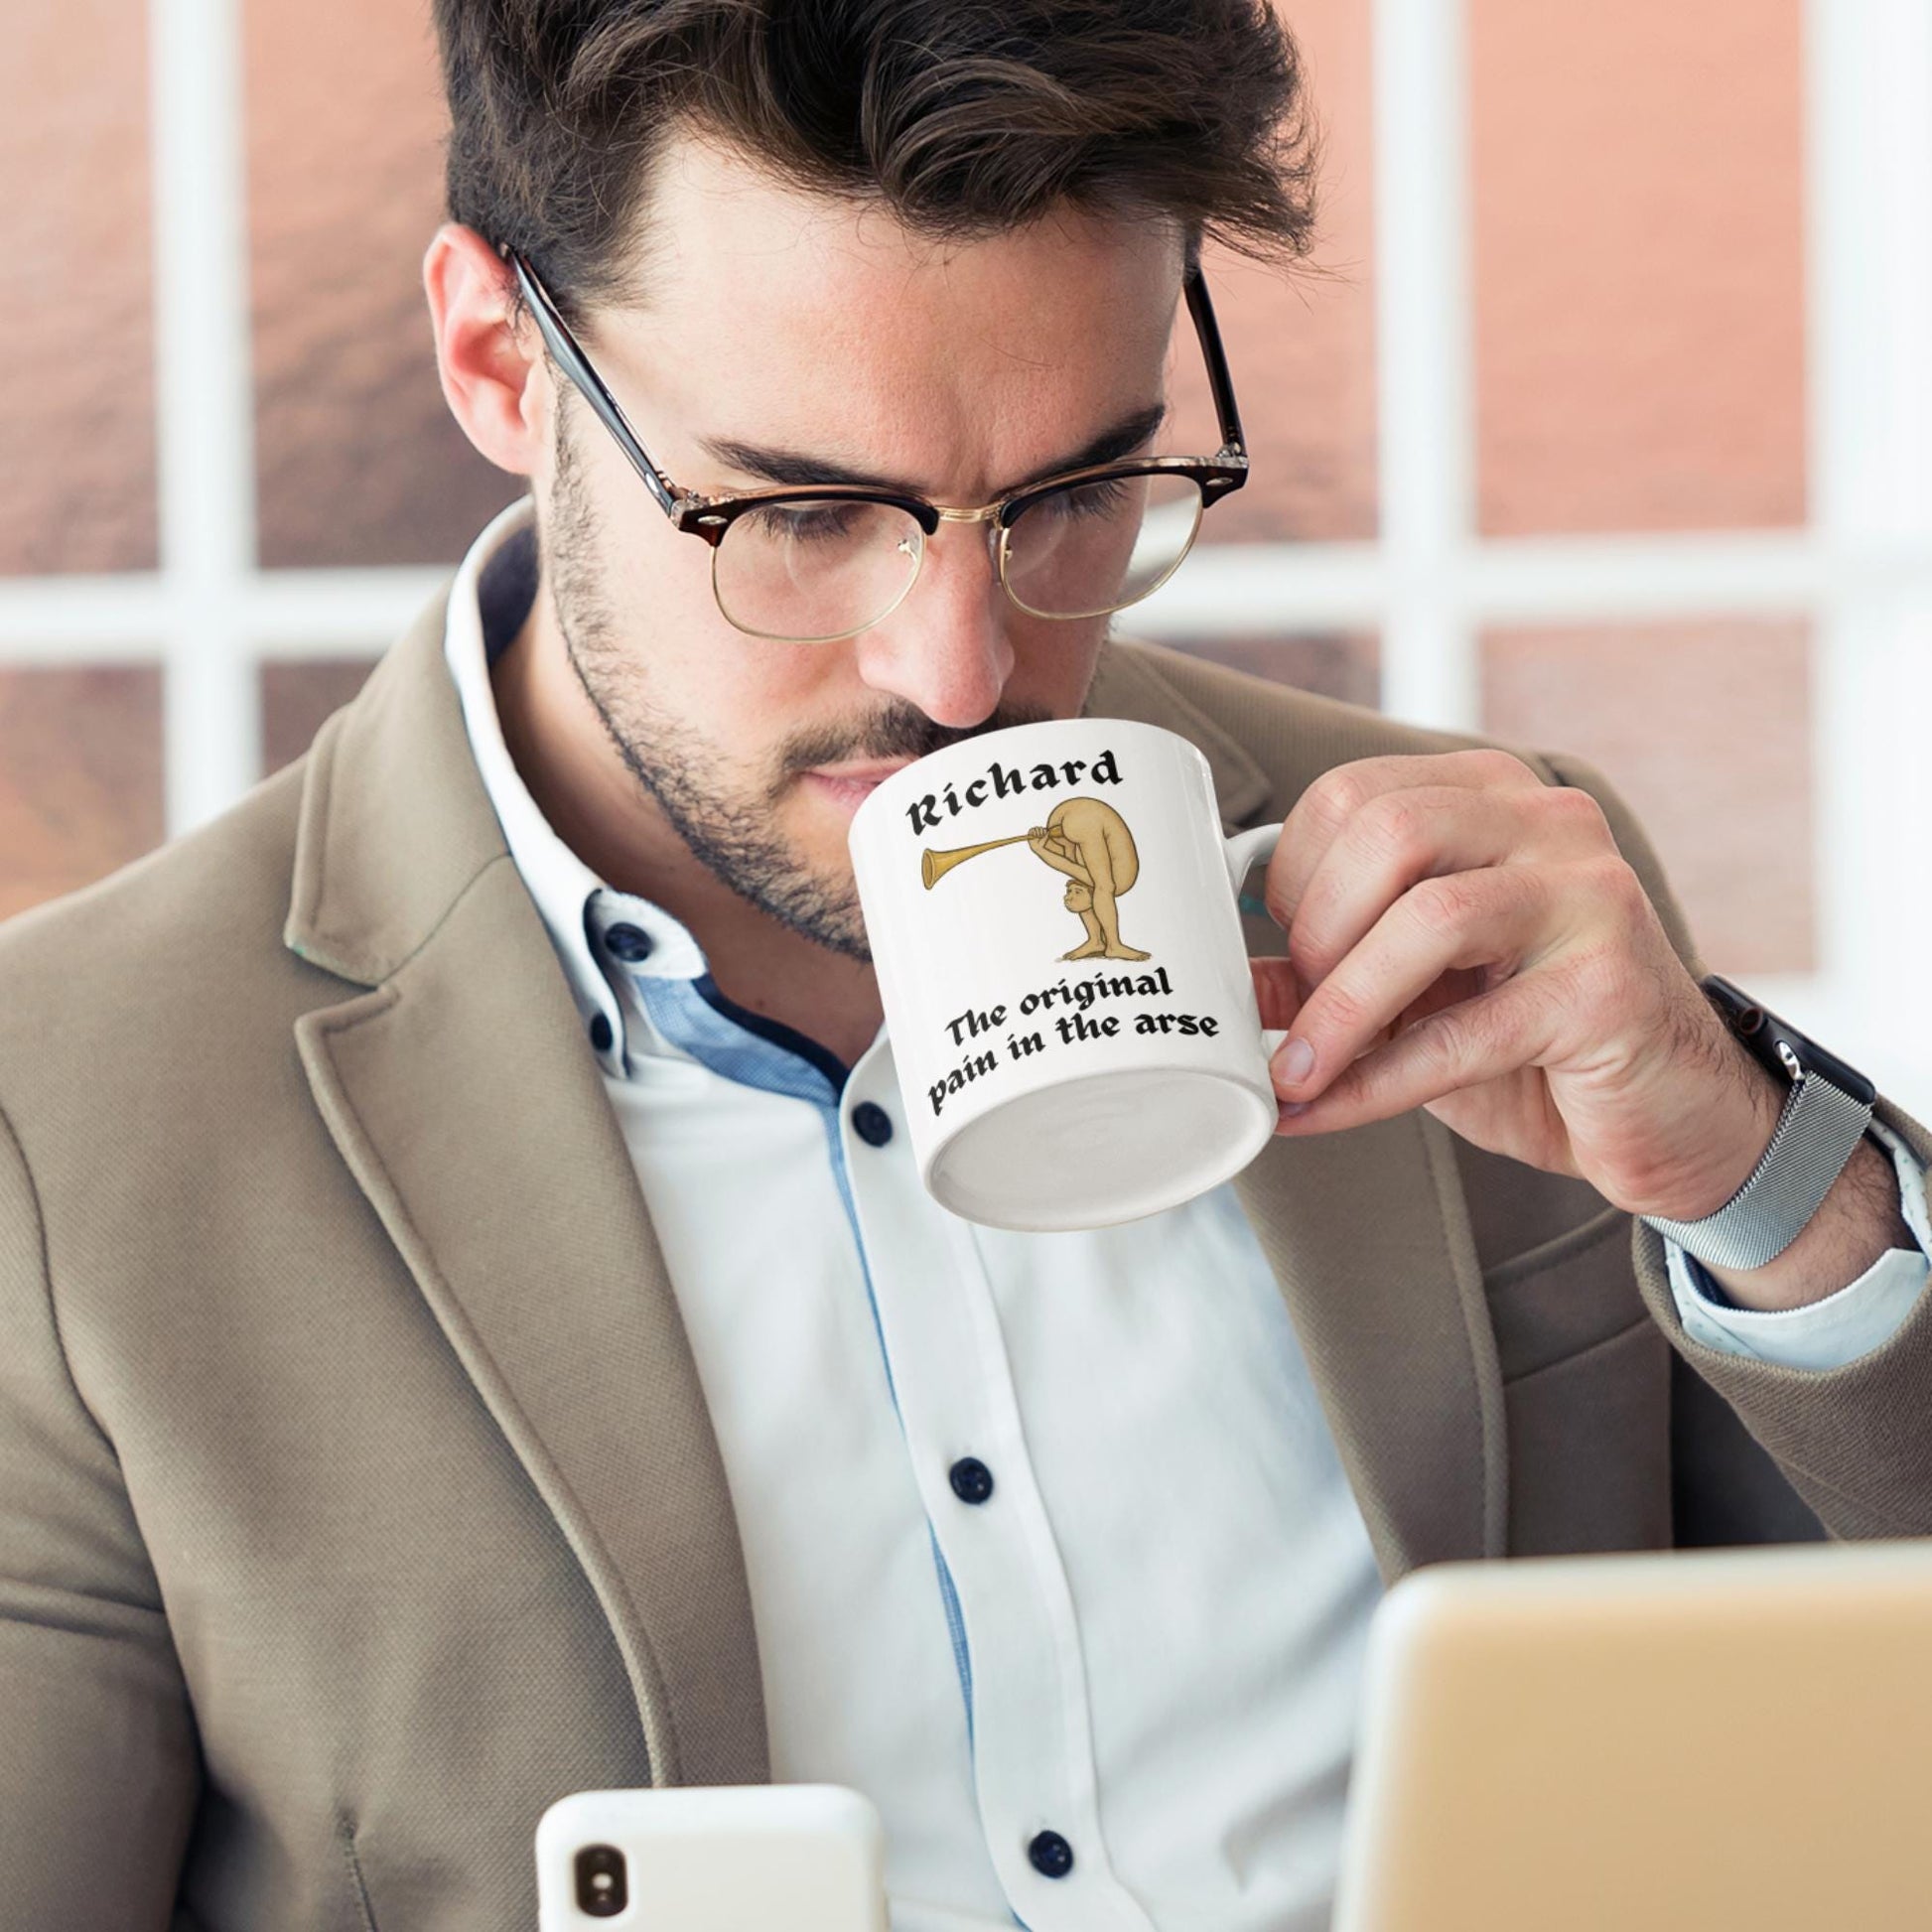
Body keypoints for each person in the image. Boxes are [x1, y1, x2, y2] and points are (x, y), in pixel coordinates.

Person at [2, 4, 1930, 1929]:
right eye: (809, 514)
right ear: (501, 360)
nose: (962, 673)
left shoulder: (1482, 895)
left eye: (1072, 497)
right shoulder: (72, 1125)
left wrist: (1770, 1189)